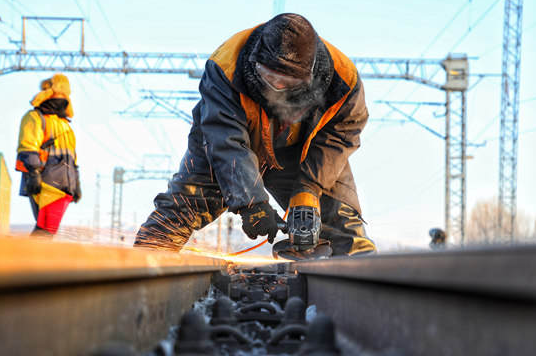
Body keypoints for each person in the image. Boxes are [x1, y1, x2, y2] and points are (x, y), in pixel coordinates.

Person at [134, 13, 375, 256]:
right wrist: (252, 203)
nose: (276, 86)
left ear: (309, 75)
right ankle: (144, 267)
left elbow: (340, 136)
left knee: (342, 227)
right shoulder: (226, 66)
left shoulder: (344, 79)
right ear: (255, 59)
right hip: (225, 147)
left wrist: (309, 189)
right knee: (181, 208)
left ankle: (360, 287)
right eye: (268, 76)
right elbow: (226, 141)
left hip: (301, 154)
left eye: (285, 81)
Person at [16, 73, 81, 238]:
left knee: (46, 231)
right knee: (45, 231)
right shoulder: (35, 117)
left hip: (63, 186)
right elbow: (28, 147)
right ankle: (17, 259)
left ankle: (21, 259)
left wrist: (76, 182)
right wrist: (34, 173)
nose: (63, 97)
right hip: (44, 183)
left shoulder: (65, 125)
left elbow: (72, 158)